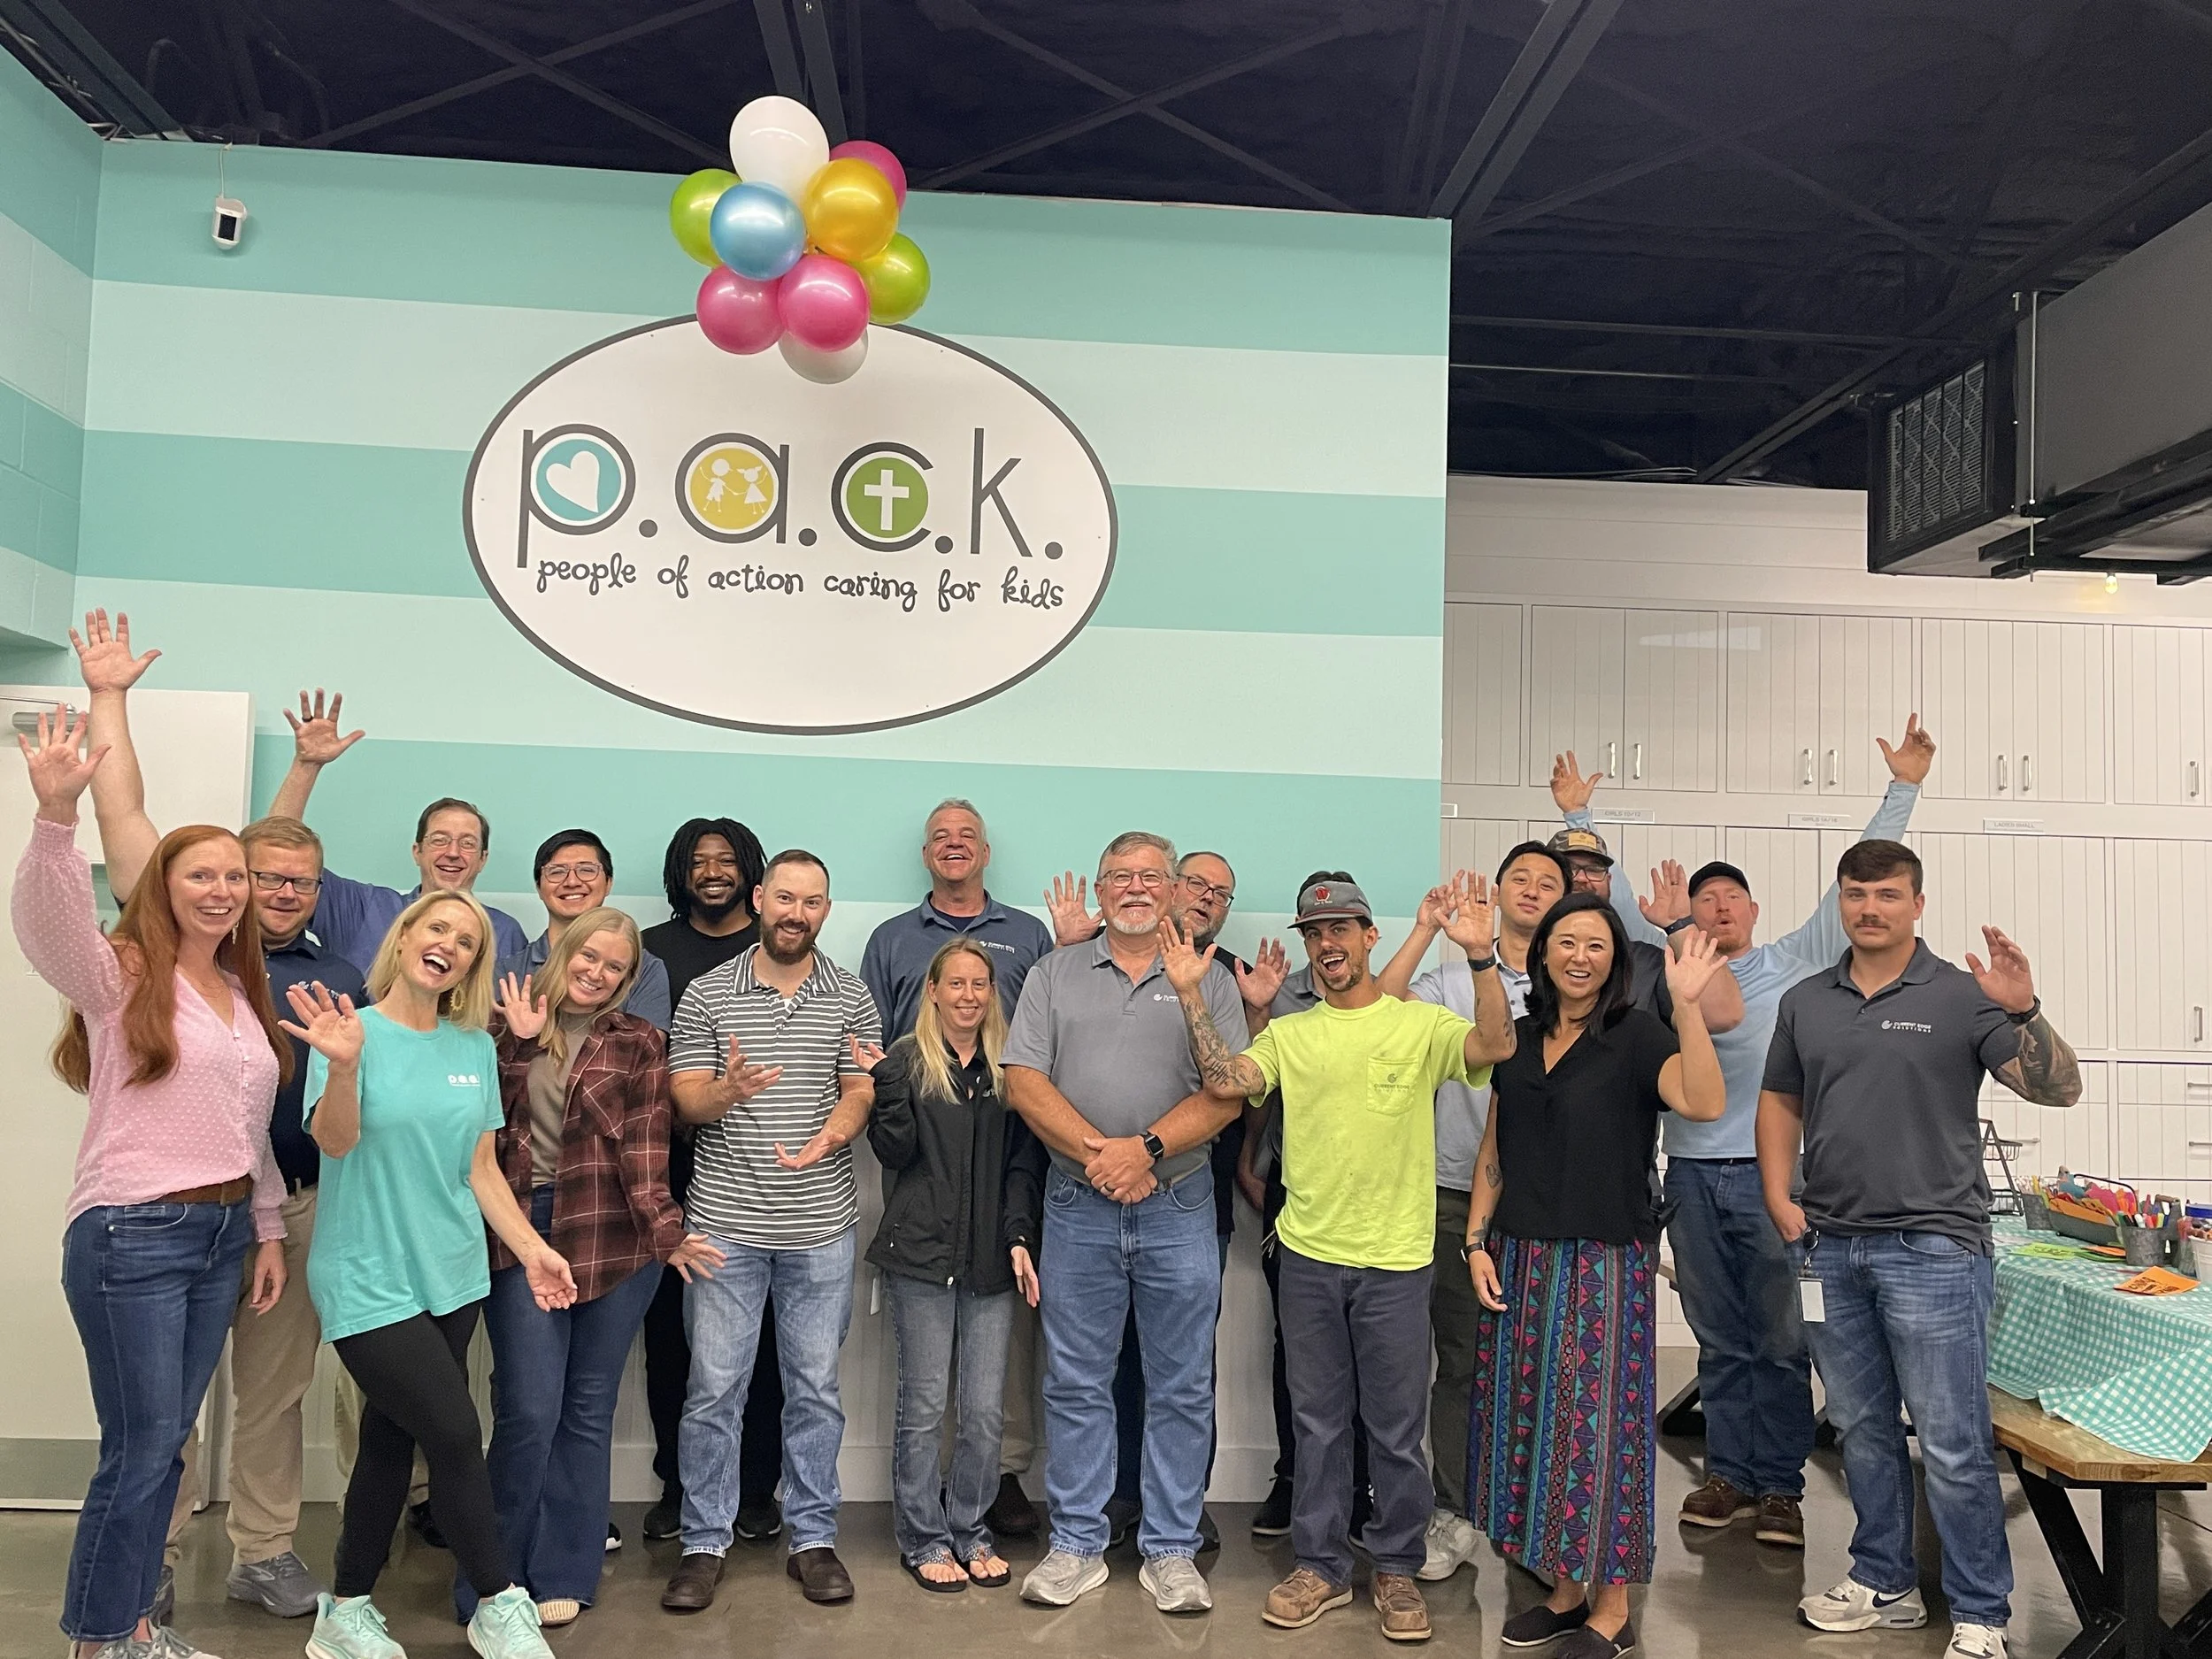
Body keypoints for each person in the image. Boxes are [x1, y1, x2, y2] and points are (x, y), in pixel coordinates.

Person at [64, 609, 360, 1624]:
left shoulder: (311, 970)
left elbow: (255, 855)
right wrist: (109, 696)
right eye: (236, 877)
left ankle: (263, 1550)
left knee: (270, 1398)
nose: (257, 890)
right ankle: (143, 1573)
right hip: (155, 1216)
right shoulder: (164, 956)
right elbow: (130, 822)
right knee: (161, 1424)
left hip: (277, 1210)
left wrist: (275, 1220)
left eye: (285, 880)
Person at [15, 705, 291, 1659]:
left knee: (162, 1449)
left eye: (235, 877)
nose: (222, 890)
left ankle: (131, 1627)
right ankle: (99, 1641)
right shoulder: (127, 972)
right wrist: (57, 819)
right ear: (164, 885)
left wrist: (265, 1230)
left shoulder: (240, 995)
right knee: (136, 1453)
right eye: (201, 873)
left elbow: (246, 1130)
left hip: (218, 1240)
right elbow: (51, 933)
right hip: (134, 1232)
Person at [1761, 841, 2082, 1659]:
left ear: (1917, 903)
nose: (1870, 908)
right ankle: (1884, 1579)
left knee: (1951, 1436)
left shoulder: (1964, 995)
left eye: (1888, 894)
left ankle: (1983, 1614)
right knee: (1862, 1427)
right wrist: (1776, 1196)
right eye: (1856, 893)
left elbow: (2058, 1087)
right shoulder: (1806, 999)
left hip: (1934, 1248)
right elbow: (1780, 1097)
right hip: (1831, 1247)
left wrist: (2024, 1009)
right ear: (1840, 900)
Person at [1179, 873, 1517, 1643]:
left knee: (1396, 1429)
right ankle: (1323, 1567)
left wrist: (1481, 956)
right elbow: (1225, 1080)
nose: (1328, 943)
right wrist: (1194, 994)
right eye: (1315, 932)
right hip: (1308, 1256)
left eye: (1342, 929)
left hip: (1398, 1260)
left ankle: (1396, 1568)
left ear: (1369, 936)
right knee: (1319, 1424)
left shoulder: (1418, 1024)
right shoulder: (1292, 1034)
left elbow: (1496, 1045)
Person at [1658, 718, 1932, 1547]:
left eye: (1729, 896)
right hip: (1690, 1176)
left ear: (1752, 909)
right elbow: (1592, 926)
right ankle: (1728, 1476)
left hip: (1773, 1177)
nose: (1716, 905)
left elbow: (1860, 879)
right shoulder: (1669, 963)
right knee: (1717, 1337)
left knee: (1781, 1338)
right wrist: (1586, 823)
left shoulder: (1794, 958)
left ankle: (1779, 1486)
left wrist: (1904, 787)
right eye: (1703, 898)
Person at [283, 888, 577, 1659]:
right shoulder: (350, 1032)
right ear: (406, 934)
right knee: (454, 1430)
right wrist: (342, 1067)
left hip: (451, 1275)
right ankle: (498, 1597)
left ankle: (344, 1611)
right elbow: (336, 1143)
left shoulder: (473, 1046)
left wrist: (532, 1246)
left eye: (469, 940)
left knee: (390, 1437)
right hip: (365, 1273)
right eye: (438, 926)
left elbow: (479, 1169)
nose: (450, 943)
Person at [1465, 893, 1729, 1659]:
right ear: (1542, 951)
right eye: (1567, 941)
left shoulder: (1637, 1034)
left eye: (1598, 945)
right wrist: (1477, 1240)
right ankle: (1566, 1589)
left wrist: (1686, 1007)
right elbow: (1496, 1146)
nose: (1581, 955)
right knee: (1534, 1427)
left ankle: (1612, 1608)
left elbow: (1704, 1101)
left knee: (1598, 1431)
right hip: (1519, 1254)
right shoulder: (1514, 1039)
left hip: (1603, 1260)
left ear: (1615, 961)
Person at [1002, 831, 1247, 1616]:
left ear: (1177, 891)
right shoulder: (1052, 972)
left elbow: (1228, 1090)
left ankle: (1171, 1550)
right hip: (1077, 1207)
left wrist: (1143, 1149)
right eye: (1120, 876)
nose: (1135, 887)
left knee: (1180, 1383)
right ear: (1102, 891)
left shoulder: (1211, 980)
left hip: (1180, 1204)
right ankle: (1076, 1542)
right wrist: (1100, 1155)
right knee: (1075, 1381)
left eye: (1151, 876)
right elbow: (1023, 1080)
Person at [467, 908, 724, 1627]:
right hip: (523, 1234)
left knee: (586, 1410)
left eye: (616, 966)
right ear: (564, 952)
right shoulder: (501, 1025)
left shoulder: (640, 1042)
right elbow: (477, 1130)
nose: (599, 972)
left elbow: (646, 1150)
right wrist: (512, 1043)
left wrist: (667, 1234)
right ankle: (492, 1578)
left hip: (616, 1238)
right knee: (528, 1408)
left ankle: (565, 1570)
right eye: (590, 957)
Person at [660, 850, 881, 1612]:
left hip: (821, 1227)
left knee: (815, 1389)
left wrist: (832, 1134)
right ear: (760, 898)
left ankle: (813, 1538)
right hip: (724, 1225)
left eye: (811, 901)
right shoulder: (708, 993)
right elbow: (685, 1101)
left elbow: (860, 1087)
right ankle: (702, 1542)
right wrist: (730, 1088)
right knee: (713, 1389)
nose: (797, 912)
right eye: (784, 897)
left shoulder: (851, 994)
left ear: (826, 908)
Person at [1375, 843, 1570, 1582]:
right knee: (1458, 1363)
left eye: (1548, 882)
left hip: (1546, 1203)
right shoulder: (1452, 974)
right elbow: (1381, 1011)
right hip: (1448, 1192)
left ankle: (1538, 1521)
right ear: (1496, 891)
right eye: (1519, 877)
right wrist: (1428, 929)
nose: (1531, 889)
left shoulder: (1573, 979)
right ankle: (1453, 1512)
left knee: (1542, 1366)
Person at [864, 800, 1055, 1543]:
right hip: (919, 1257)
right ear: (933, 991)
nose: (970, 994)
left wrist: (1017, 1236)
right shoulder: (909, 1064)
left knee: (981, 1410)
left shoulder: (1011, 1075)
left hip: (990, 1261)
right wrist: (883, 1081)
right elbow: (896, 1152)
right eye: (956, 984)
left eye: (982, 984)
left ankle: (970, 1530)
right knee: (921, 1405)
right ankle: (921, 1534)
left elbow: (1020, 1162)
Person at [636, 817, 782, 1547]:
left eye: (728, 860)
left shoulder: (780, 947)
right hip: (668, 1173)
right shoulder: (651, 952)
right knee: (674, 1341)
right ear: (682, 871)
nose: (715, 871)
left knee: (764, 1344)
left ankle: (757, 1487)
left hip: (763, 1176)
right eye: (701, 861)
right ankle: (681, 1485)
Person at [267, 688, 529, 971]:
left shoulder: (504, 933)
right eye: (440, 840)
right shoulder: (364, 910)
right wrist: (307, 766)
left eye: (467, 844)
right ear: (417, 851)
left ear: (483, 859)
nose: (453, 853)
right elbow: (278, 853)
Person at [859, 798, 1053, 1038]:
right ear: (926, 855)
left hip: (1004, 1076)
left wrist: (1070, 945)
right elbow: (869, 1037)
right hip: (909, 1076)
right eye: (940, 837)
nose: (954, 843)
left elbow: (1051, 1028)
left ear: (985, 853)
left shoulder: (1030, 933)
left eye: (968, 836)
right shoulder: (888, 939)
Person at [495, 831, 671, 1026]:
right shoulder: (509, 970)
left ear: (609, 883)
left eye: (587, 870)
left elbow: (646, 1050)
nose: (572, 882)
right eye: (557, 872)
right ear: (538, 887)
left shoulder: (644, 969)